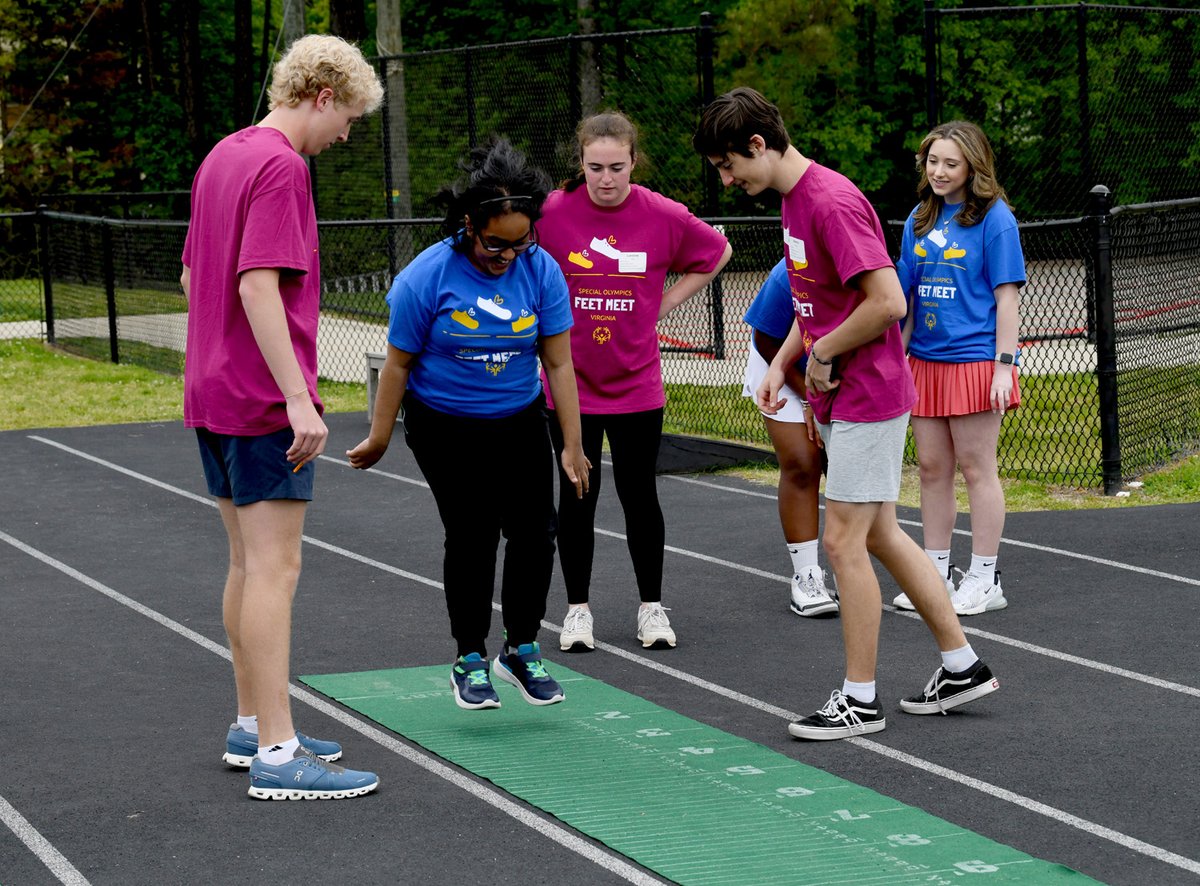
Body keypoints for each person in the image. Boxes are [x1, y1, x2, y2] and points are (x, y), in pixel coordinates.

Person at [694, 87, 1000, 740]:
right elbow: (820, 299)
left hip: (868, 395)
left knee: (844, 541)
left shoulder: (829, 201)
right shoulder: (795, 202)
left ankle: (860, 700)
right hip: (845, 394)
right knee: (883, 533)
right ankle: (962, 662)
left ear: (757, 146)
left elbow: (887, 300)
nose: (726, 180)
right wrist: (783, 363)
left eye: (728, 166)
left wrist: (827, 350)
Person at [181, 34, 382, 798]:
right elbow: (256, 287)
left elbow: (194, 268)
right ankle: (276, 752)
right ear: (323, 95)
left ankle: (249, 725)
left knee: (245, 563)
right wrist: (300, 395)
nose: (346, 135)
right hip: (259, 396)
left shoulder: (223, 154)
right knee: (275, 568)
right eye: (350, 118)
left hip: (211, 389)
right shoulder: (280, 164)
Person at [347, 137, 590, 710]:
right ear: (467, 225)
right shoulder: (426, 277)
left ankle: (522, 647)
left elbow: (557, 362)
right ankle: (469, 657)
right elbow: (398, 364)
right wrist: (381, 435)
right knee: (475, 532)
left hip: (518, 417)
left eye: (519, 242)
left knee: (535, 531)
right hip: (444, 424)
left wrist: (572, 444)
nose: (505, 256)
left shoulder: (541, 270)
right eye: (494, 244)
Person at [538, 111, 732, 653]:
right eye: (595, 167)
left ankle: (651, 608)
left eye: (616, 167)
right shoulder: (552, 212)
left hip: (636, 384)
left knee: (638, 495)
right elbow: (515, 257)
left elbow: (719, 253)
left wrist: (663, 304)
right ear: (580, 164)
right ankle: (577, 611)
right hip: (571, 384)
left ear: (633, 163)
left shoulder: (661, 214)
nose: (606, 178)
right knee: (577, 495)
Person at [892, 121, 1025, 617]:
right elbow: (905, 297)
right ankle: (935, 577)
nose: (940, 172)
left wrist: (1002, 368)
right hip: (924, 362)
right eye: (933, 162)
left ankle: (985, 578)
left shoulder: (995, 219)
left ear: (973, 165)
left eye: (951, 163)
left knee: (976, 468)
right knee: (931, 470)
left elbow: (1006, 299)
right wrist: (898, 361)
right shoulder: (918, 219)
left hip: (975, 361)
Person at [743, 259, 837, 617]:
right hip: (782, 367)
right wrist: (810, 398)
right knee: (803, 461)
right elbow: (765, 336)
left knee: (843, 467)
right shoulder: (789, 271)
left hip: (840, 373)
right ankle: (807, 576)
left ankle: (850, 567)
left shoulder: (880, 272)